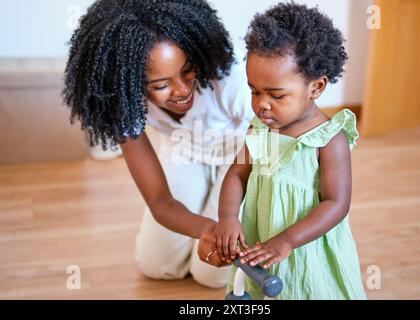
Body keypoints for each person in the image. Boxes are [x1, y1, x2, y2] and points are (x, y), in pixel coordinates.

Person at [63, 0, 253, 288]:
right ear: (130, 86)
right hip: (185, 151)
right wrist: (207, 229)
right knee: (156, 265)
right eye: (160, 85)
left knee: (211, 276)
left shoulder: (229, 72)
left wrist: (227, 215)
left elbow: (270, 141)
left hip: (242, 157)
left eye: (188, 70)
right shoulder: (123, 102)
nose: (182, 89)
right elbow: (159, 200)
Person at [214, 3, 367, 299]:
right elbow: (237, 174)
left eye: (276, 94)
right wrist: (228, 217)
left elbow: (336, 203)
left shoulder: (328, 139)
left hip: (306, 245)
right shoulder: (259, 127)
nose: (262, 104)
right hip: (262, 238)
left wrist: (287, 240)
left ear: (316, 87)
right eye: (255, 90)